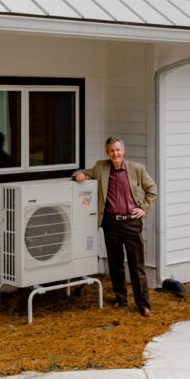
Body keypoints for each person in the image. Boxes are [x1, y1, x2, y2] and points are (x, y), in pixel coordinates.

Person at [73, 136, 157, 317]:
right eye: (112, 150)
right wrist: (79, 175)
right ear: (107, 152)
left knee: (137, 265)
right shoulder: (101, 167)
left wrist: (143, 208)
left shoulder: (137, 169)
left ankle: (143, 304)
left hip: (131, 223)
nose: (115, 153)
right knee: (115, 263)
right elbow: (82, 172)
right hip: (110, 223)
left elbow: (152, 190)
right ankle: (120, 298)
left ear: (123, 151)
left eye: (118, 150)